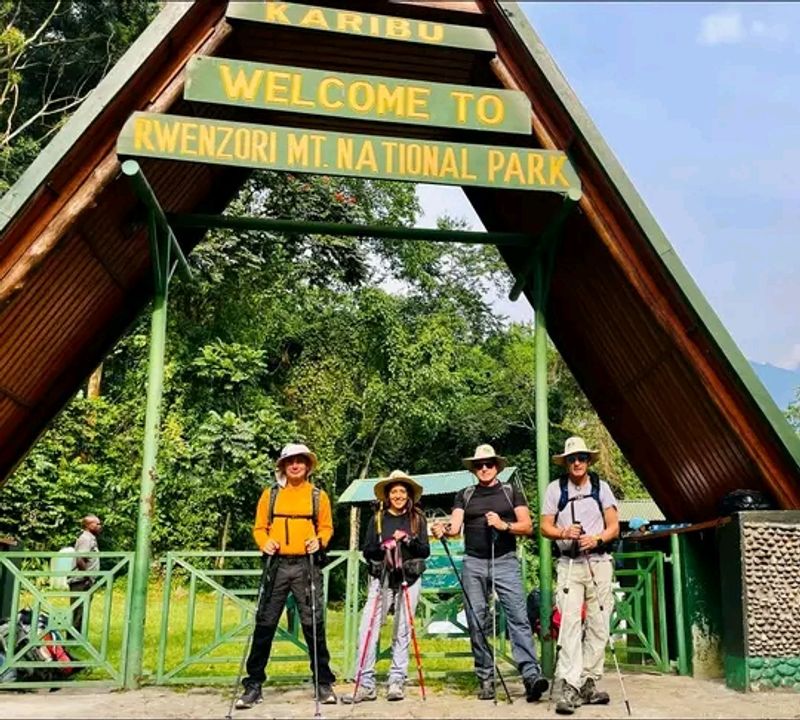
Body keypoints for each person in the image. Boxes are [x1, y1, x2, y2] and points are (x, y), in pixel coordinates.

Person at [432, 444, 548, 703]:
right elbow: (455, 526)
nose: (484, 468)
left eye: (489, 464)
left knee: (518, 617)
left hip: (505, 561)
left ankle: (530, 675)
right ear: (474, 469)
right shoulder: (465, 494)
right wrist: (443, 529)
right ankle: (485, 676)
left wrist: (503, 525)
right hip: (473, 562)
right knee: (477, 619)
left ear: (497, 466)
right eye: (479, 465)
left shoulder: (510, 492)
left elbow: (528, 526)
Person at [236, 443, 337, 710]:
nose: (295, 465)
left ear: (307, 466)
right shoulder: (269, 496)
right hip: (276, 565)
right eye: (290, 461)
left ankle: (323, 682)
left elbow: (326, 527)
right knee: (265, 624)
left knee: (313, 624)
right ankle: (253, 684)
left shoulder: (318, 496)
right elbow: (259, 528)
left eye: (300, 461)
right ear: (282, 466)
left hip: (307, 566)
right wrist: (264, 542)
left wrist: (319, 540)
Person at [539, 436, 620, 715]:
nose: (577, 463)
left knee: (599, 623)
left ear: (588, 461)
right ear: (565, 463)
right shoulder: (555, 489)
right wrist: (564, 532)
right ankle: (570, 685)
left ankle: (589, 680)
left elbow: (613, 527)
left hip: (598, 561)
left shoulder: (601, 487)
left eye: (582, 458)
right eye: (572, 459)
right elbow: (544, 526)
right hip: (569, 563)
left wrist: (596, 539)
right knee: (569, 623)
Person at [342, 470, 430, 704]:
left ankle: (396, 680)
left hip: (408, 579)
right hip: (381, 579)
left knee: (402, 630)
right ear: (388, 495)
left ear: (409, 494)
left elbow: (425, 551)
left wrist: (408, 540)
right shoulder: (378, 519)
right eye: (394, 491)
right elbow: (367, 550)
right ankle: (365, 683)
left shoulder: (418, 518)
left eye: (402, 491)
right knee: (367, 629)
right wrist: (384, 547)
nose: (399, 495)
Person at [68, 515, 102, 633]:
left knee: (81, 611)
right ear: (88, 525)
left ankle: (77, 638)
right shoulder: (86, 539)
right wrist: (88, 576)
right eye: (97, 524)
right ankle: (73, 639)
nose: (99, 526)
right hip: (81, 581)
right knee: (78, 611)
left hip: (84, 580)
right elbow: (80, 559)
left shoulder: (91, 538)